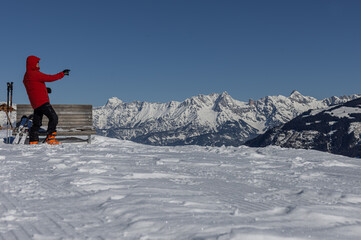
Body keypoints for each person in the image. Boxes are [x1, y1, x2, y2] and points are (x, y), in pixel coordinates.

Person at [23, 55, 70, 145]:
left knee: (37, 123)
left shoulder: (26, 76)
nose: (38, 64)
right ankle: (50, 137)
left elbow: (33, 87)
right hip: (42, 102)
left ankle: (33, 140)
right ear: (32, 63)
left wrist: (45, 89)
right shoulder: (35, 74)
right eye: (37, 62)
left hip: (36, 104)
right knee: (54, 118)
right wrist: (62, 74)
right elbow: (50, 78)